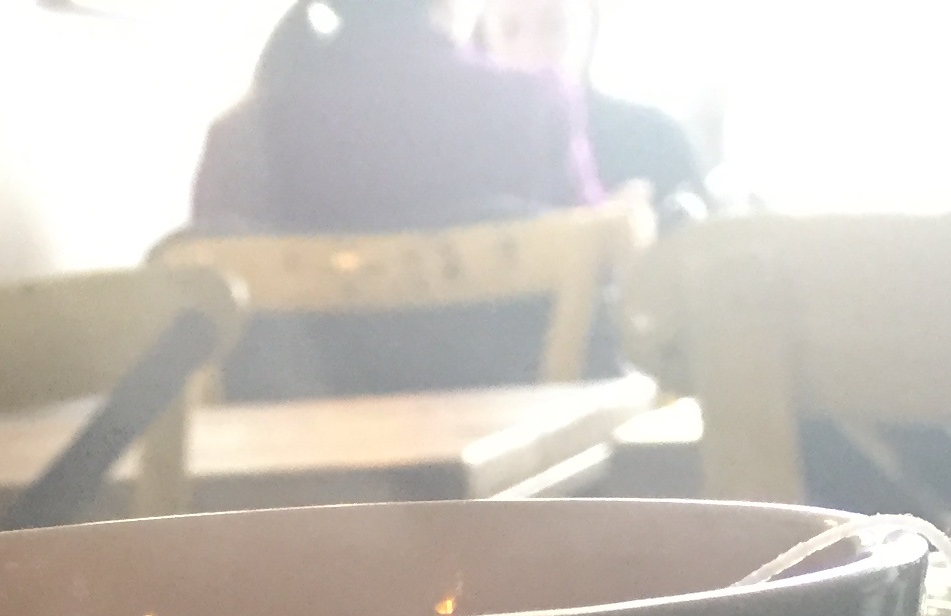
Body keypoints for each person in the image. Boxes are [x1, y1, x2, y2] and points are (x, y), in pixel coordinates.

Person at [185, 0, 601, 398]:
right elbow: (601, 279)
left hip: (281, 443)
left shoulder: (240, 138)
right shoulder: (531, 106)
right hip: (511, 439)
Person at [472, 0, 707, 217]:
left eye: (555, 26)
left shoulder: (656, 141)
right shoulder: (469, 164)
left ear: (588, 26)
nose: (532, 51)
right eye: (510, 31)